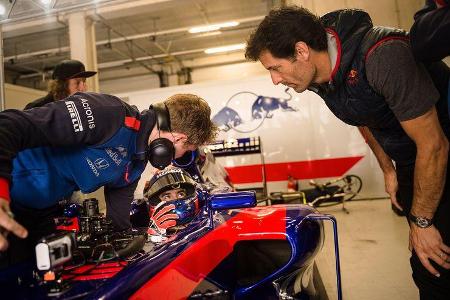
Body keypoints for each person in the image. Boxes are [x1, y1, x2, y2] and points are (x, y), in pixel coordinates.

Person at [245, 6, 450, 299]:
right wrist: (389, 170)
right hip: (413, 159)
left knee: (433, 266)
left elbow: (435, 144)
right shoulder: (324, 78)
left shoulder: (382, 56)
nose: (275, 80)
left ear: (301, 51)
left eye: (275, 68)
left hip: (439, 153)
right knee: (427, 261)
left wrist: (423, 221)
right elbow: (363, 115)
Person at [0, 92, 217, 266]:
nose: (177, 157)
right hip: (6, 203)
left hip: (37, 214)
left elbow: (118, 221)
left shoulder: (137, 160)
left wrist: (133, 242)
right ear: (180, 138)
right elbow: (8, 125)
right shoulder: (108, 114)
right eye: (185, 150)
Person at [144, 167, 201, 235]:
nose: (175, 199)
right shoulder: (146, 236)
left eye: (180, 194)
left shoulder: (205, 223)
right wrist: (155, 233)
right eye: (167, 197)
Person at [24, 59, 97, 109]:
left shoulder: (82, 107)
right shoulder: (37, 108)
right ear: (61, 85)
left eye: (84, 81)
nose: (82, 88)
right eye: (77, 82)